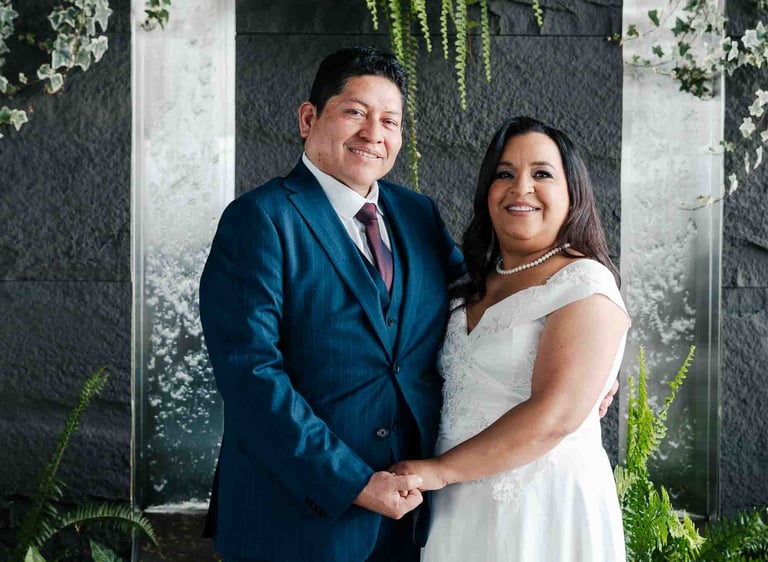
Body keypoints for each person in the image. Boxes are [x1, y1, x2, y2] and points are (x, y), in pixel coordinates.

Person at [199, 46, 464, 562]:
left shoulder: (418, 215)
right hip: (293, 519)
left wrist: (565, 354)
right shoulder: (259, 220)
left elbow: (478, 309)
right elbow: (251, 375)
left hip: (411, 520)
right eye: (355, 113)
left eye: (390, 120)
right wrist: (355, 482)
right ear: (308, 118)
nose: (374, 133)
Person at [391, 116, 629, 561]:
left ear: (572, 193)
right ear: (487, 191)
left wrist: (440, 471)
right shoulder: (469, 280)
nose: (521, 188)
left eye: (542, 173)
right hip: (456, 508)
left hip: (541, 508)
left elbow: (555, 415)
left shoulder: (585, 282)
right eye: (505, 174)